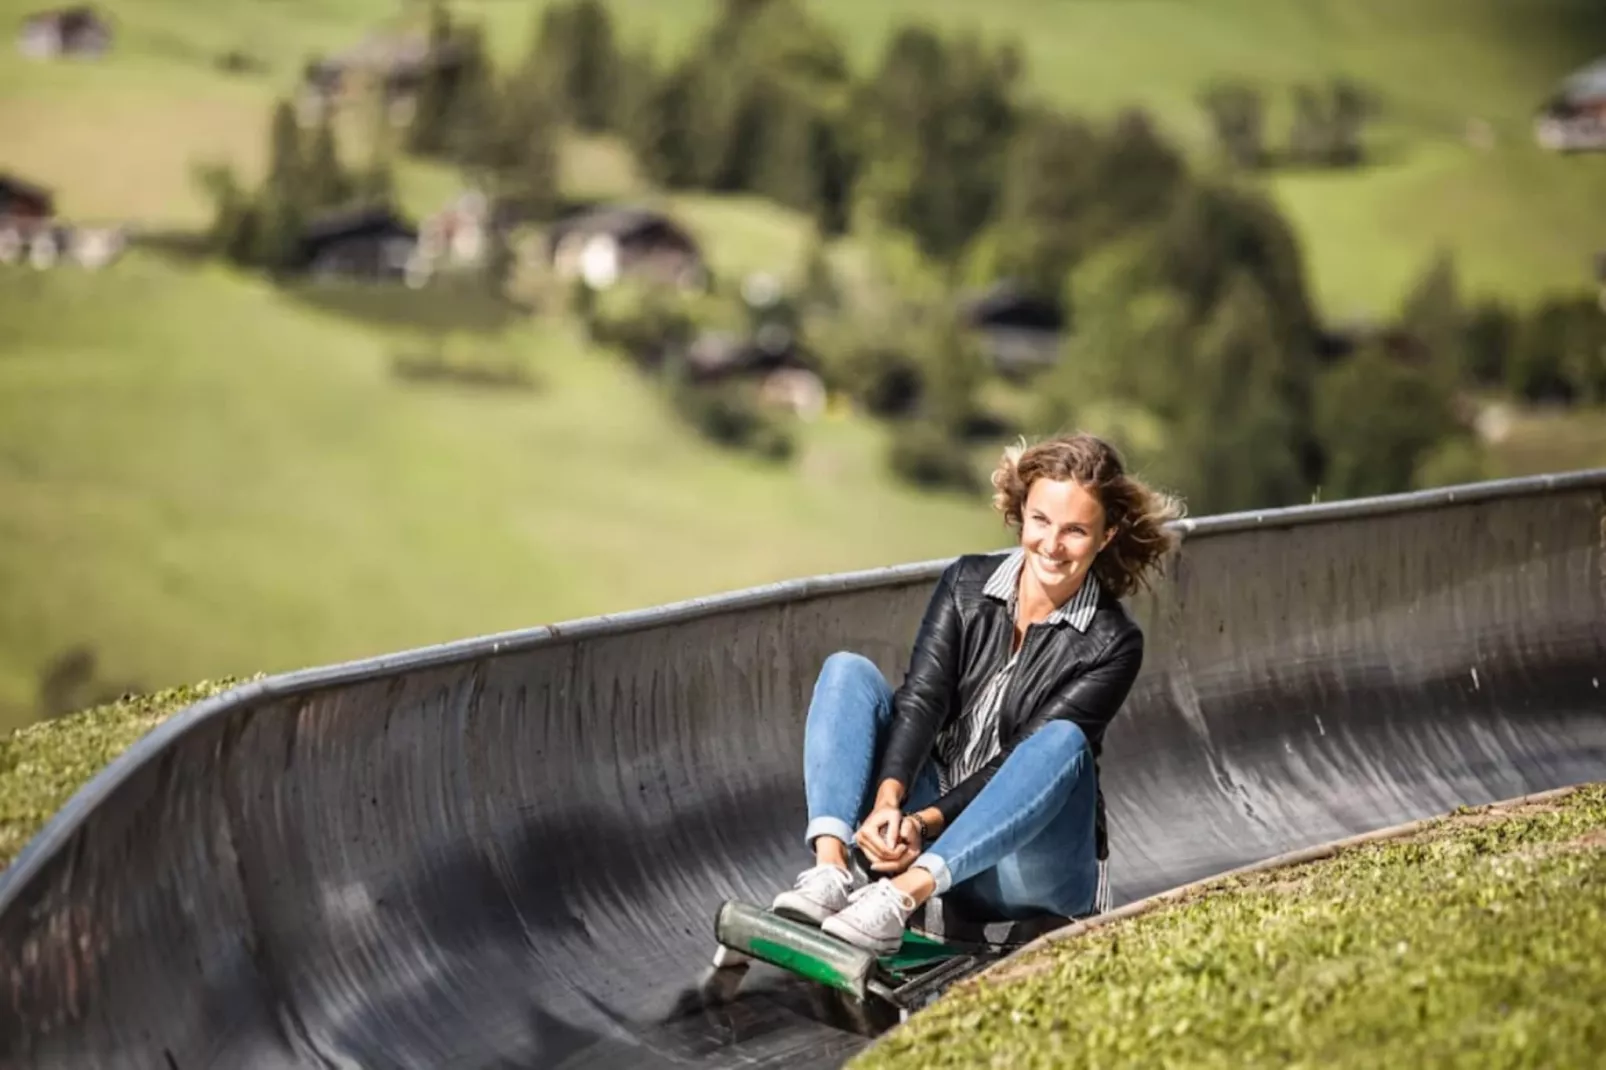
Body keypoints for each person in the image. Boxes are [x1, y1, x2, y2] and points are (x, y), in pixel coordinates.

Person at [771, 432, 1183, 953]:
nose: (1052, 545)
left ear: (1106, 537)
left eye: (1075, 531)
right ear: (1022, 514)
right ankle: (830, 873)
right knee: (846, 671)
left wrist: (922, 824)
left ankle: (899, 898)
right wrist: (888, 804)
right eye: (1041, 521)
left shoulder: (1113, 642)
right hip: (929, 836)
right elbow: (923, 698)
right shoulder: (966, 583)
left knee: (1062, 741)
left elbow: (1018, 760)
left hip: (1025, 865)